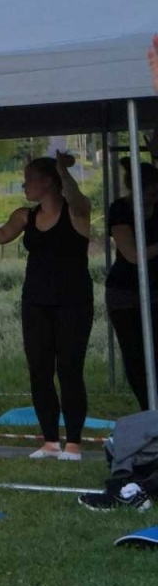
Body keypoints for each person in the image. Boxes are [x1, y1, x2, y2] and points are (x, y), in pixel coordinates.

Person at [0, 153, 93, 459]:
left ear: (47, 181)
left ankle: (73, 443)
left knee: (69, 370)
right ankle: (49, 441)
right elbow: (2, 236)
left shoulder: (77, 212)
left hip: (73, 303)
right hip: (35, 303)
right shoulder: (24, 216)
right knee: (39, 371)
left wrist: (63, 171)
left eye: (29, 178)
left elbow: (76, 197)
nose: (24, 184)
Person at [106, 159, 158, 410]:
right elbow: (133, 255)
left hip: (155, 289)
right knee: (135, 356)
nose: (154, 198)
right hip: (125, 292)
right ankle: (148, 409)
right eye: (150, 193)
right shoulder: (119, 210)